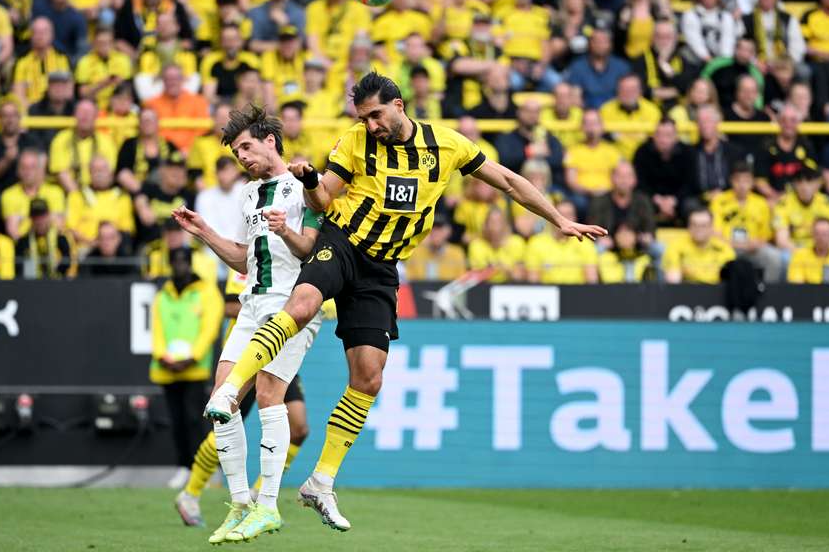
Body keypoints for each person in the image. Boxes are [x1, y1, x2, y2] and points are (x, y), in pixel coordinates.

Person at [199, 73, 605, 531]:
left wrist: (559, 221)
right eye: (363, 118)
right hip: (344, 243)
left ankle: (321, 482)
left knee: (369, 378)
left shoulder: (446, 145)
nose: (370, 125)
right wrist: (312, 179)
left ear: (398, 104)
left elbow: (509, 182)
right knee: (301, 303)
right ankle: (232, 390)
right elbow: (325, 196)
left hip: (381, 270)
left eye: (375, 115)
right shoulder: (355, 141)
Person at [171, 104, 326, 542]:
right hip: (251, 303)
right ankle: (240, 502)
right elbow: (243, 256)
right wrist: (204, 232)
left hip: (290, 304)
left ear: (270, 141)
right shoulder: (248, 195)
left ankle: (268, 505)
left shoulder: (303, 186)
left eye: (246, 147)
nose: (241, 156)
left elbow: (308, 250)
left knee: (270, 394)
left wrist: (286, 231)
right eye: (237, 150)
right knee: (223, 401)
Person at [174, 272, 312, 528]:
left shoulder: (299, 256)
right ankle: (190, 494)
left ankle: (258, 494)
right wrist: (279, 305)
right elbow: (229, 305)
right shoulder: (256, 254)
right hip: (248, 355)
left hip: (281, 348)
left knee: (299, 428)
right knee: (225, 425)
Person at [150, 246, 224, 509]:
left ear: (190, 263)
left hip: (194, 367)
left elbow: (210, 327)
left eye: (183, 261)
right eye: (175, 262)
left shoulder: (206, 292)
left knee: (196, 419)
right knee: (177, 420)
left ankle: (202, 470)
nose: (179, 266)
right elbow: (157, 328)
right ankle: (183, 466)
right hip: (168, 367)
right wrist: (161, 355)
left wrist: (193, 356)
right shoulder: (163, 295)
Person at [709, 162, 782, 283]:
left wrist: (754, 244)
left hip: (752, 249)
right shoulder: (719, 201)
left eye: (746, 181)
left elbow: (765, 235)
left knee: (774, 258)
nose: (742, 185)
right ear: (731, 181)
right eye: (738, 180)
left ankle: (768, 293)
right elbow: (715, 234)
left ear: (752, 182)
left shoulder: (761, 203)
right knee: (713, 256)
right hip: (726, 247)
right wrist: (737, 245)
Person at [662, 208, 736, 284]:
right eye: (694, 225)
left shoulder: (723, 248)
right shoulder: (676, 246)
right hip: (687, 290)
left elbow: (731, 277)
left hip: (717, 291)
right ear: (688, 227)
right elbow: (672, 278)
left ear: (711, 227)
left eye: (703, 225)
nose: (699, 229)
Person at [15, 198, 78, 279]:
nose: (40, 221)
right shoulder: (23, 242)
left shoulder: (61, 238)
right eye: (35, 217)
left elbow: (68, 263)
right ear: (30, 218)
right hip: (32, 285)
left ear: (48, 215)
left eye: (42, 216)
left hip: (58, 283)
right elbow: (19, 267)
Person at [787, 218, 829, 283]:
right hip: (807, 292)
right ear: (812, 234)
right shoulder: (800, 255)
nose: (821, 237)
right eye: (817, 233)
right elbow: (796, 284)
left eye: (825, 234)